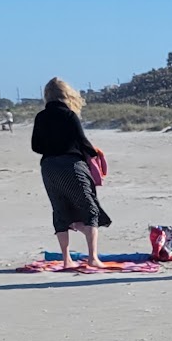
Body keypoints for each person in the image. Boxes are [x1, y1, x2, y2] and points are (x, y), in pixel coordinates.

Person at [30, 77, 110, 269]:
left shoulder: (40, 117)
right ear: (66, 94)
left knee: (59, 209)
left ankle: (66, 259)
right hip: (71, 165)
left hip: (48, 167)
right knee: (90, 209)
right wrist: (94, 153)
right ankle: (92, 258)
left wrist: (52, 147)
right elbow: (82, 141)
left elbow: (36, 146)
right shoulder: (69, 115)